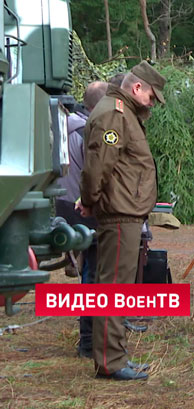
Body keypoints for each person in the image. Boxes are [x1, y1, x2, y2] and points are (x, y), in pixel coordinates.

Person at [78, 61, 166, 380]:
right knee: (113, 287)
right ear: (137, 87)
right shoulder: (115, 112)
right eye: (152, 97)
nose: (153, 103)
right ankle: (110, 362)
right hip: (119, 212)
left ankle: (115, 356)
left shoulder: (122, 110)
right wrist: (89, 200)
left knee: (118, 286)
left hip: (125, 210)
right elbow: (98, 163)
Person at [57, 81, 106, 359]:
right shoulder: (91, 131)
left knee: (88, 271)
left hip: (64, 203)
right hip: (85, 208)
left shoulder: (61, 125)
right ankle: (88, 340)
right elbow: (95, 174)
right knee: (93, 274)